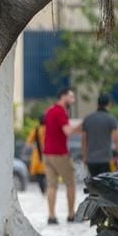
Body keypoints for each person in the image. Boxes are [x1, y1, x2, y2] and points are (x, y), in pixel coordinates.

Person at [42, 87, 80, 224]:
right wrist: (81, 127)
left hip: (47, 153)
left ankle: (51, 216)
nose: (73, 100)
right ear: (63, 96)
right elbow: (67, 131)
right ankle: (71, 215)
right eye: (71, 97)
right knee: (71, 184)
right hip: (60, 154)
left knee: (52, 185)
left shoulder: (50, 111)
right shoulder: (60, 112)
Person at [81, 94, 118, 177]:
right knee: (107, 184)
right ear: (109, 104)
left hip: (91, 160)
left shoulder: (88, 118)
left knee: (95, 184)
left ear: (98, 104)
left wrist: (84, 156)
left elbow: (84, 139)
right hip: (106, 160)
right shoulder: (111, 119)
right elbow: (116, 140)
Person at [26, 116, 48, 194]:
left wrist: (35, 145)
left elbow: (28, 143)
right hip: (48, 154)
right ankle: (47, 189)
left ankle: (43, 191)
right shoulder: (49, 129)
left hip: (37, 155)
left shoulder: (35, 130)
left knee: (39, 175)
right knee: (48, 174)